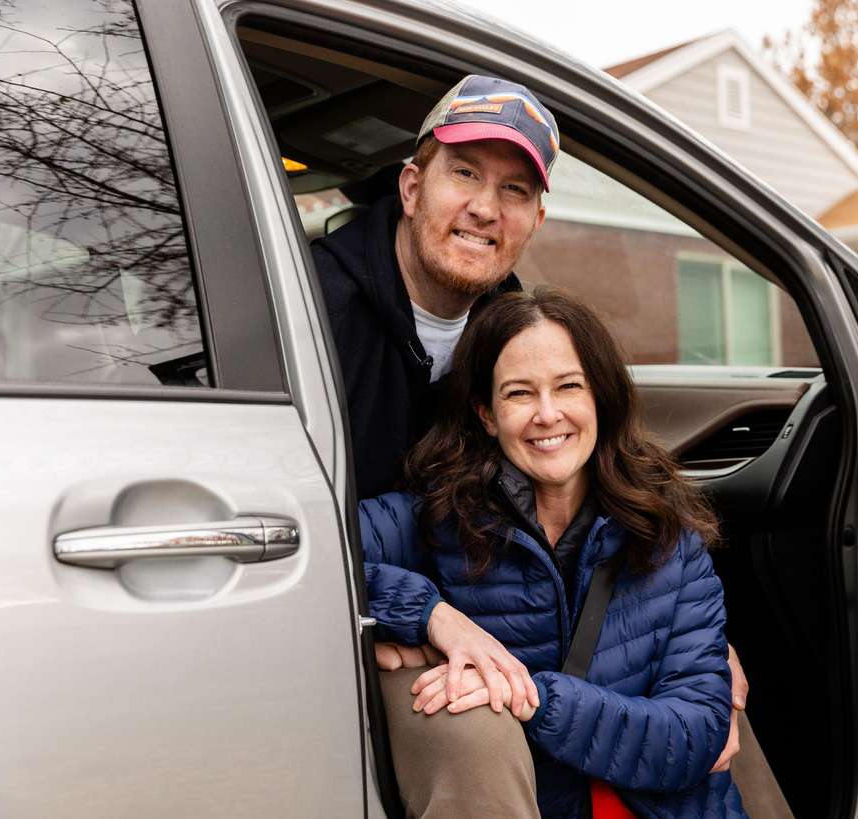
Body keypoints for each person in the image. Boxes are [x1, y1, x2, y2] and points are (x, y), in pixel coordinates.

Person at [313, 74, 782, 817]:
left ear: (536, 217)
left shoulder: (510, 324)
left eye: (515, 189)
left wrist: (687, 645)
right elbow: (316, 542)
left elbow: (681, 700)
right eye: (464, 171)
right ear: (410, 186)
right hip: (344, 612)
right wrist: (422, 617)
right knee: (472, 718)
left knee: (719, 720)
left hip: (500, 648)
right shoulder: (308, 315)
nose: (484, 207)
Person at [360, 288, 747, 818]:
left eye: (569, 386)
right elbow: (319, 558)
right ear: (487, 414)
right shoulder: (435, 517)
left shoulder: (668, 539)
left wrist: (532, 697)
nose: (548, 414)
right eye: (519, 394)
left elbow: (696, 736)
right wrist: (430, 617)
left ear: (600, 400)